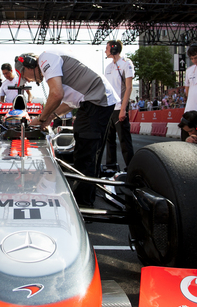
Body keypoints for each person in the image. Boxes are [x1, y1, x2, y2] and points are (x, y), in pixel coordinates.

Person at [15, 51, 116, 207]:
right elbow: (68, 102)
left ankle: (83, 205)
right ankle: (86, 196)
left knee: (85, 155)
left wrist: (41, 118)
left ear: (29, 64)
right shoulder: (55, 68)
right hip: (96, 100)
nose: (29, 80)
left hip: (96, 100)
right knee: (87, 154)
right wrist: (50, 117)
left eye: (25, 76)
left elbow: (56, 94)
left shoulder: (46, 58)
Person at [103, 40, 134, 171]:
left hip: (119, 108)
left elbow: (129, 88)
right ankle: (111, 166)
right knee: (109, 140)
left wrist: (123, 109)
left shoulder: (126, 64)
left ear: (114, 49)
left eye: (107, 48)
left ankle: (132, 168)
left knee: (124, 141)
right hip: (109, 108)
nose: (105, 50)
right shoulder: (108, 67)